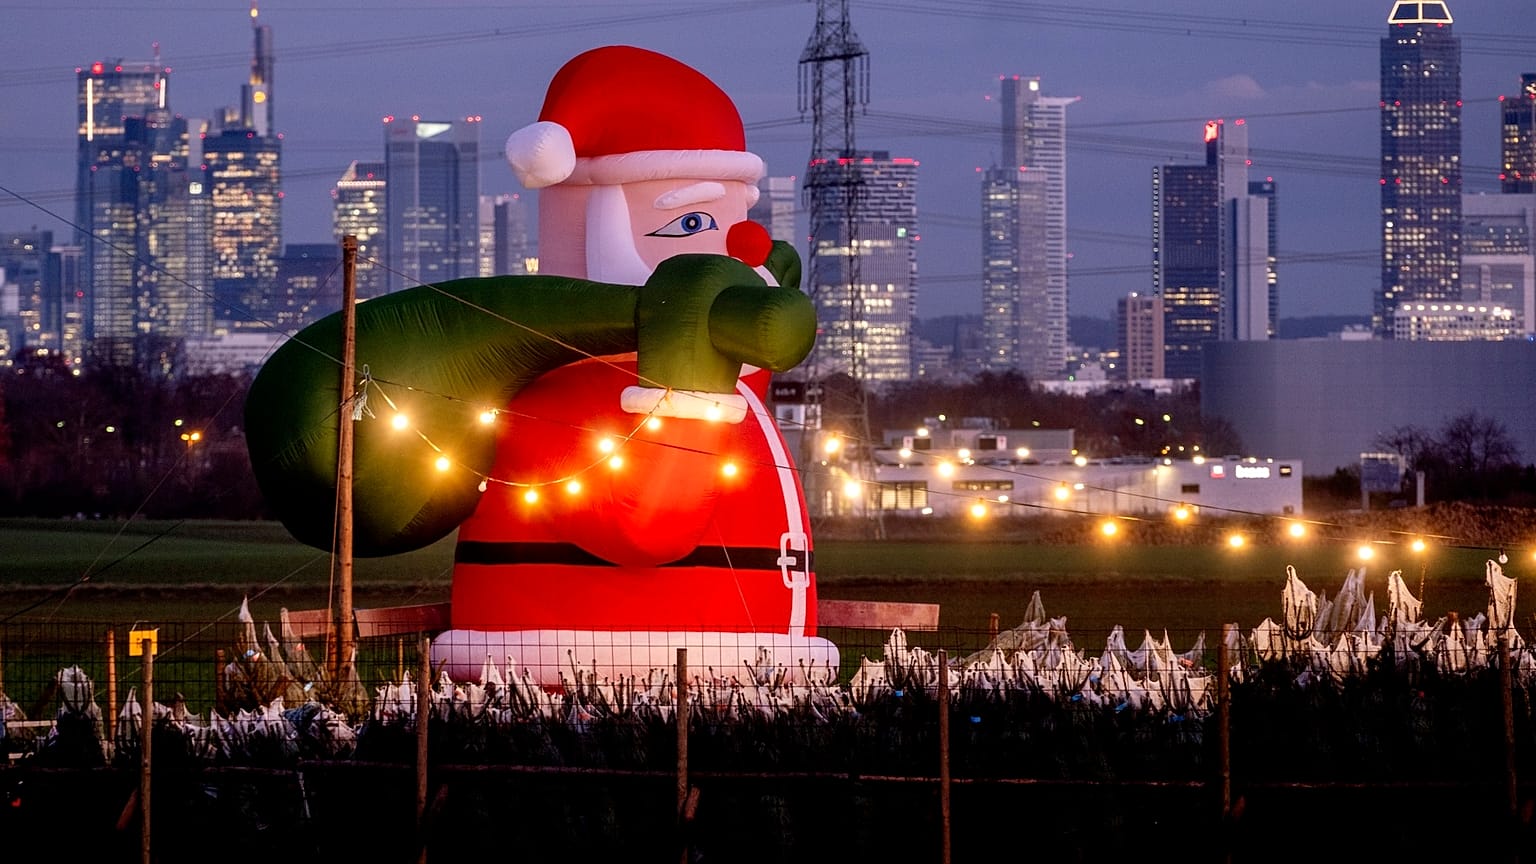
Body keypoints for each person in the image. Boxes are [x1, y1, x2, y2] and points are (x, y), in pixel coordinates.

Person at [430, 46, 836, 685]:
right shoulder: (564, 391)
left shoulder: (698, 378)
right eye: (694, 222)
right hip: (609, 674)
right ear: (595, 225)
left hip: (746, 669)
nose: (746, 248)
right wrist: (690, 386)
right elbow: (644, 527)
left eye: (739, 221)